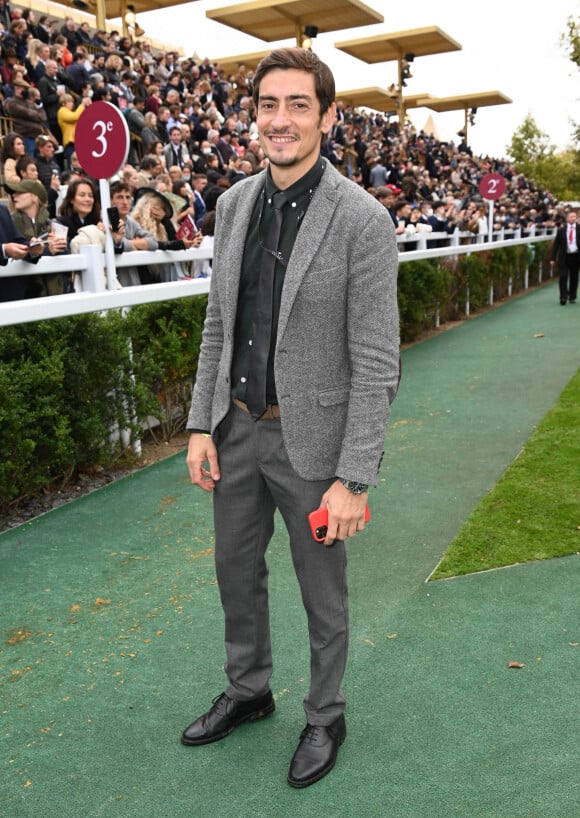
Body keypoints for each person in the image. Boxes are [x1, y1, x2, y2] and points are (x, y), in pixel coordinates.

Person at [181, 47, 399, 789]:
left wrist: (355, 479)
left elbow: (376, 361)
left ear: (327, 116)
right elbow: (218, 325)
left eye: (298, 105)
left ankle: (325, 714)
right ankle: (248, 691)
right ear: (255, 117)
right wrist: (200, 424)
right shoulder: (236, 203)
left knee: (321, 594)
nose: (281, 120)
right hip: (236, 429)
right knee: (235, 574)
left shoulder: (363, 220)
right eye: (269, 105)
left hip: (314, 446)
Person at [9, 178, 67, 295]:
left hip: (55, 295)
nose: (14, 195)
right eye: (13, 192)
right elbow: (10, 255)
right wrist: (48, 250)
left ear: (35, 197)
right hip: (20, 295)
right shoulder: (8, 223)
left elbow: (69, 256)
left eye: (20, 192)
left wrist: (59, 248)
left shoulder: (54, 225)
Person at [550, 210, 579, 305]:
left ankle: (572, 296)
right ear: (567, 218)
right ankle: (563, 297)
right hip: (564, 256)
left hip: (576, 256)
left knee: (574, 277)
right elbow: (556, 245)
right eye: (571, 216)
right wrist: (552, 258)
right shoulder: (561, 230)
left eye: (574, 216)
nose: (573, 218)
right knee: (563, 277)